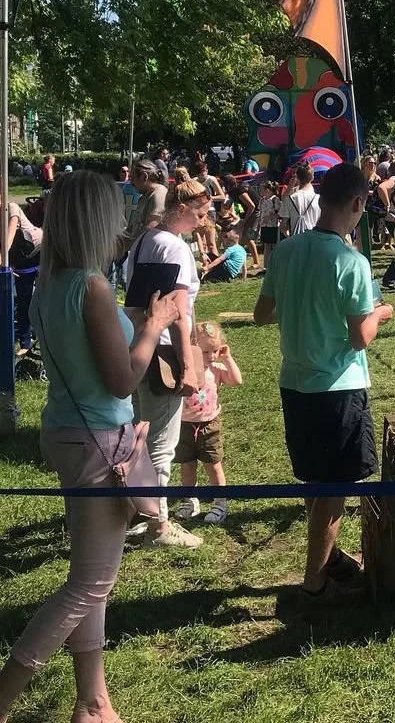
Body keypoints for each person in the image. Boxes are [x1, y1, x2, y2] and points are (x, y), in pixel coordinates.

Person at [0, 171, 182, 723]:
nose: (124, 223)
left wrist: (131, 322)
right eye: (116, 213)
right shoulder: (93, 287)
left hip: (66, 429)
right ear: (97, 221)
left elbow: (83, 345)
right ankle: (5, 695)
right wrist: (154, 324)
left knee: (93, 576)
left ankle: (93, 701)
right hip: (101, 438)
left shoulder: (55, 281)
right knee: (88, 583)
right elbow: (124, 380)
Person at [254, 163, 394, 605]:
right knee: (334, 489)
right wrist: (382, 312)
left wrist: (302, 305)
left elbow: (261, 314)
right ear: (357, 204)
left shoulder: (287, 251)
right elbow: (361, 336)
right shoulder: (351, 262)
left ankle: (328, 559)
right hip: (337, 386)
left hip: (295, 383)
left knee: (315, 479)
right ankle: (314, 584)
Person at [124, 179, 210, 548]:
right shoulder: (174, 247)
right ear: (180, 208)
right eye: (200, 213)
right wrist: (189, 365)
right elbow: (178, 312)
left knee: (139, 437)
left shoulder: (145, 240)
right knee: (162, 441)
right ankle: (159, 524)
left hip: (137, 346)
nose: (204, 221)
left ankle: (139, 512)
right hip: (162, 352)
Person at [174, 321, 242, 526]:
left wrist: (227, 357)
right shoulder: (186, 370)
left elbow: (237, 380)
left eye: (215, 350)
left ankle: (220, 502)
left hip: (209, 426)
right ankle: (190, 500)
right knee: (187, 466)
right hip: (184, 426)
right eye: (205, 352)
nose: (211, 356)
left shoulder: (217, 368)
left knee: (213, 465)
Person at [7, 199, 42, 357]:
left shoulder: (11, 208)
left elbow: (7, 241)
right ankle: (25, 344)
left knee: (33, 300)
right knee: (23, 302)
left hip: (37, 253)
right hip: (20, 257)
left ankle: (37, 341)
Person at [279, 163, 320, 236]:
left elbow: (283, 226)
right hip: (313, 240)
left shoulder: (290, 198)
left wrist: (289, 237)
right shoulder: (318, 199)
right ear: (312, 178)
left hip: (296, 240)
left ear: (297, 177)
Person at [256, 180, 282, 268]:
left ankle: (277, 265)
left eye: (261, 189)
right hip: (264, 226)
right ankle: (266, 266)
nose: (260, 192)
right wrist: (258, 225)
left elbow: (280, 213)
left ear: (267, 190)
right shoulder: (262, 200)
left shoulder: (275, 200)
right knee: (266, 245)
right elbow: (260, 214)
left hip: (273, 226)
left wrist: (271, 217)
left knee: (275, 246)